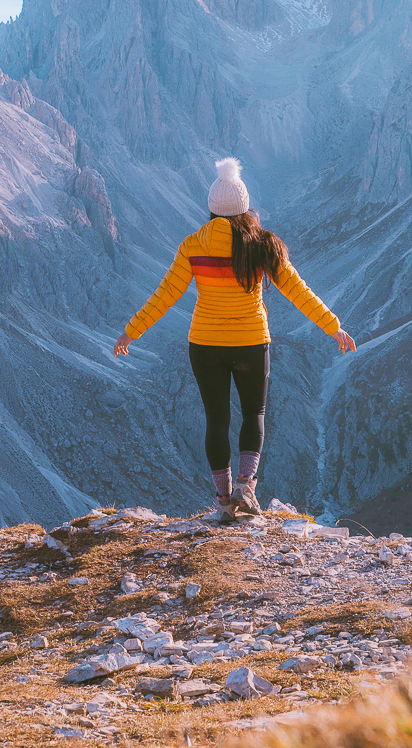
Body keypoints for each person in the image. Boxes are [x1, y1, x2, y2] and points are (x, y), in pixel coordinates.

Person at [114, 157, 356, 523]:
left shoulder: (193, 245)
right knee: (253, 414)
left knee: (216, 419)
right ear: (245, 206)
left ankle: (224, 501)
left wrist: (131, 331)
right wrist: (332, 325)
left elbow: (164, 295)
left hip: (205, 345)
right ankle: (246, 487)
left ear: (212, 208)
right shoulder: (264, 246)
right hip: (251, 342)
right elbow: (297, 290)